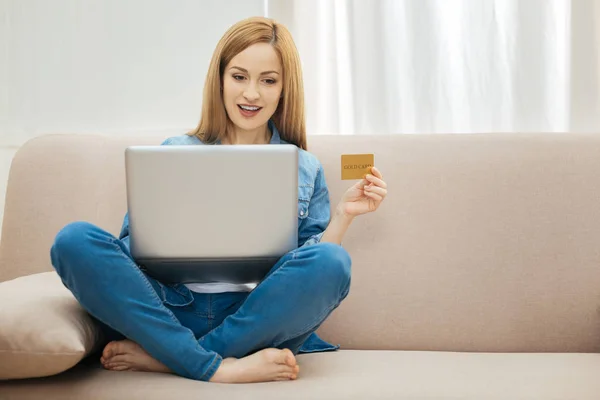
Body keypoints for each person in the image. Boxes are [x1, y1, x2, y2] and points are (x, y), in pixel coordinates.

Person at [50, 16, 388, 384]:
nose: (251, 94)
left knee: (333, 261)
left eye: (268, 80)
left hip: (253, 317)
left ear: (284, 89)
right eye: (239, 77)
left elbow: (309, 268)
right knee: (73, 240)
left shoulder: (304, 167)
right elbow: (133, 253)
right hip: (169, 308)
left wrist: (343, 215)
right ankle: (219, 365)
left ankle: (175, 358)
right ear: (220, 79)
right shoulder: (174, 152)